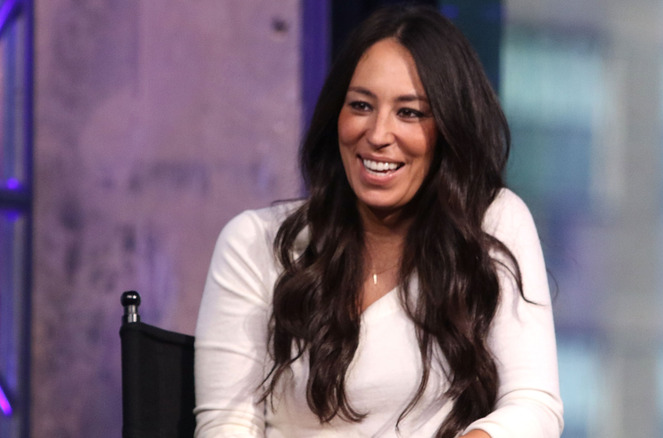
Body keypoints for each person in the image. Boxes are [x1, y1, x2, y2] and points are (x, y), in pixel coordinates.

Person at [194, 5, 563, 438]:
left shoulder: (491, 223)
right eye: (361, 106)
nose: (378, 134)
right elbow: (227, 424)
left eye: (409, 112)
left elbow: (534, 404)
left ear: (447, 127)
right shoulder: (255, 243)